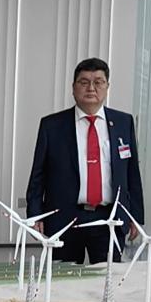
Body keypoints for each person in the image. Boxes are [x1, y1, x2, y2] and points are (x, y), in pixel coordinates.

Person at [25, 57, 144, 264]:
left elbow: (132, 173)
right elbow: (38, 175)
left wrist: (136, 216)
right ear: (73, 88)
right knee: (64, 278)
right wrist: (35, 214)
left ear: (107, 87)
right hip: (65, 218)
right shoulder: (52, 125)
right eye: (84, 82)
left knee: (109, 278)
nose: (91, 88)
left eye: (98, 82)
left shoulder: (123, 122)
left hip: (109, 218)